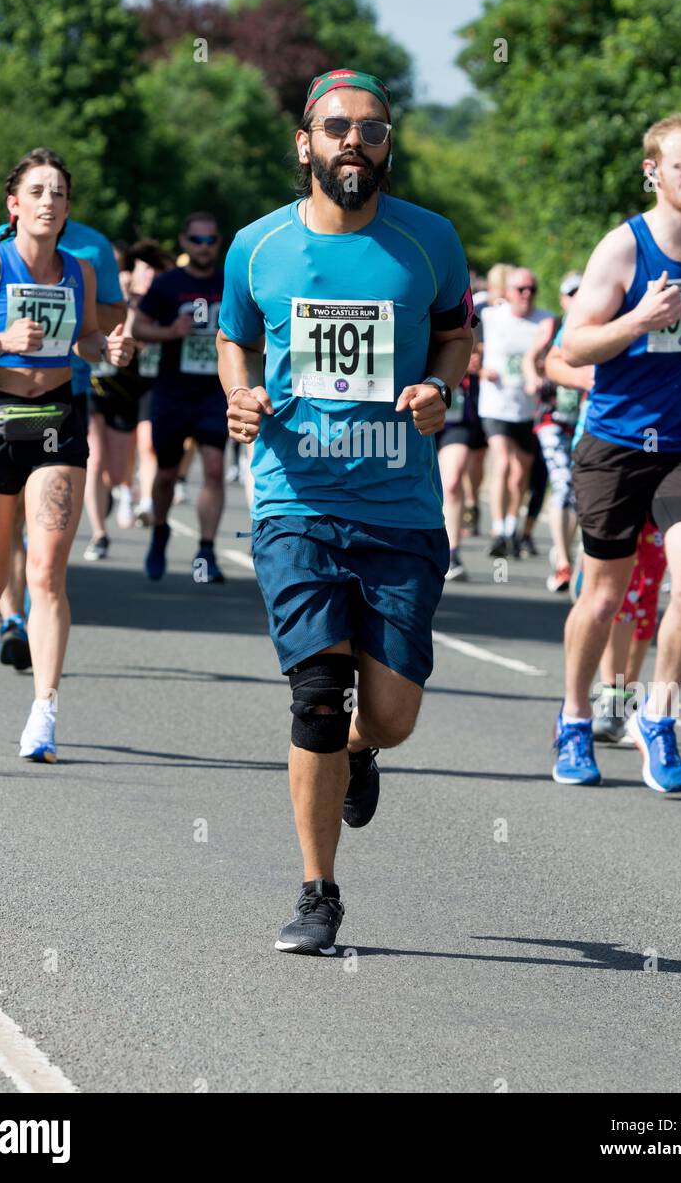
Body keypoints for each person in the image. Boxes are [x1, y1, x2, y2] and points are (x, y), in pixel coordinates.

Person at [217, 68, 475, 955]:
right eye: (337, 129)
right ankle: (318, 891)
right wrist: (241, 395)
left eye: (371, 128)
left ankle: (362, 751)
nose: (354, 142)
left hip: (400, 510)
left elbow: (454, 330)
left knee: (391, 714)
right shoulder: (257, 247)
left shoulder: (430, 241)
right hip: (297, 500)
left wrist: (442, 383)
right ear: (306, 143)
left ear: (388, 141)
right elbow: (232, 338)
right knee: (318, 694)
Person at [0, 148, 134, 760]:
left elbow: (88, 340)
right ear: (14, 206)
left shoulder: (79, 271)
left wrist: (110, 350)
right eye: (37, 192)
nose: (49, 202)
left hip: (55, 426)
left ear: (68, 209)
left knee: (44, 573)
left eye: (59, 194)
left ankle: (44, 712)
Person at [555, 113, 681, 791]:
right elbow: (572, 347)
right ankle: (574, 720)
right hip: (617, 442)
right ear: (652, 172)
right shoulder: (623, 250)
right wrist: (638, 319)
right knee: (603, 598)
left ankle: (657, 716)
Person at [131, 212, 228, 582]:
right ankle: (159, 532)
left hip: (213, 394)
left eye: (211, 240)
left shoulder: (229, 283)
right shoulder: (169, 285)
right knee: (167, 474)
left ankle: (206, 550)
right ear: (185, 242)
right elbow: (138, 325)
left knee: (215, 469)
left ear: (218, 243)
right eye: (197, 240)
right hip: (173, 392)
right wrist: (171, 331)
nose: (204, 247)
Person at [83, 240, 171, 559]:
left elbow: (136, 340)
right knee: (94, 457)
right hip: (95, 386)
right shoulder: (105, 295)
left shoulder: (159, 302)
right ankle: (98, 534)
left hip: (137, 387)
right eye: (144, 269)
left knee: (122, 466)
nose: (150, 276)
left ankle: (137, 498)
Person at [479, 268, 552, 558]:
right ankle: (498, 528)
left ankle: (512, 525)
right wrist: (481, 368)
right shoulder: (490, 315)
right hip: (495, 405)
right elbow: (465, 340)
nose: (526, 294)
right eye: (520, 289)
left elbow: (551, 356)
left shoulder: (544, 320)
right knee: (504, 463)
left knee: (520, 473)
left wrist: (541, 372)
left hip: (527, 408)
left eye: (531, 289)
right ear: (508, 292)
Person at [528, 272, 584, 591]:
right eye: (571, 294)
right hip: (550, 416)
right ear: (563, 299)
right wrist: (531, 377)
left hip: (582, 418)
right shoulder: (551, 325)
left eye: (582, 293)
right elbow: (530, 358)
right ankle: (564, 563)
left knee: (577, 488)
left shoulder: (596, 325)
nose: (577, 299)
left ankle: (563, 550)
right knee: (562, 483)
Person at [437, 340, 486, 581]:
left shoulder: (461, 314)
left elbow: (470, 346)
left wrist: (472, 363)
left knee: (453, 480)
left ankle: (452, 551)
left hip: (456, 421)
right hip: (414, 412)